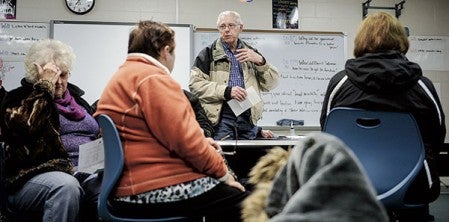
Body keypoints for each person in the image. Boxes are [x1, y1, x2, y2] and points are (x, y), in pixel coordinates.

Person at [94, 20, 248, 221]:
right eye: (174, 53)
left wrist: (201, 143)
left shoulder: (124, 76)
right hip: (153, 188)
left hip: (132, 187)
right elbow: (187, 143)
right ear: (165, 51)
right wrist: (224, 175)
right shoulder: (153, 79)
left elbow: (165, 136)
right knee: (245, 201)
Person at [320, 12, 446, 222]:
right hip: (414, 186)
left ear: (361, 40)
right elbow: (437, 136)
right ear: (400, 41)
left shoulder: (339, 84)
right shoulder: (423, 85)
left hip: (351, 184)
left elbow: (328, 133)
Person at [0, 39, 101, 221]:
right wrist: (44, 87)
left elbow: (97, 129)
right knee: (66, 187)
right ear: (36, 74)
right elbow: (23, 127)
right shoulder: (17, 98)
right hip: (36, 176)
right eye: (53, 76)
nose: (59, 82)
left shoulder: (78, 101)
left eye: (63, 75)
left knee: (117, 186)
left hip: (85, 172)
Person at [189, 10, 279, 140]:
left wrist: (261, 62)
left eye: (231, 25)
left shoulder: (251, 53)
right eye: (222, 26)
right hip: (221, 116)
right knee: (224, 157)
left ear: (240, 28)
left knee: (247, 157)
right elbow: (195, 85)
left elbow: (271, 84)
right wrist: (227, 91)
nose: (226, 30)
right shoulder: (208, 54)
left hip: (248, 115)